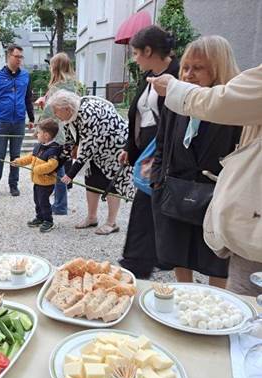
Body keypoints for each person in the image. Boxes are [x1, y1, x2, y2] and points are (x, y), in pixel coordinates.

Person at [149, 51, 262, 297]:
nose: (188, 74)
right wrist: (157, 179)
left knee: (215, 257)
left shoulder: (236, 107)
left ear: (218, 68)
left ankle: (215, 299)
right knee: (178, 249)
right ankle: (184, 293)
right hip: (176, 188)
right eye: (185, 68)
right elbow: (162, 142)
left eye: (198, 68)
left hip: (213, 193)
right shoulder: (177, 102)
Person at [116, 26, 180, 279]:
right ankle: (156, 257)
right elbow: (139, 116)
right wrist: (129, 149)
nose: (134, 58)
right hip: (147, 149)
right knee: (150, 203)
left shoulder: (176, 74)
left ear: (149, 50)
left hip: (163, 151)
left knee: (146, 203)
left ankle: (137, 261)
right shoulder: (150, 76)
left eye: (135, 53)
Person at [48, 90, 135, 234]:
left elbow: (87, 149)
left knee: (112, 183)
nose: (55, 115)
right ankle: (92, 217)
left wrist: (70, 175)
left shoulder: (89, 113)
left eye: (56, 111)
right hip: (97, 149)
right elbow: (69, 145)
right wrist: (55, 165)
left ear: (67, 109)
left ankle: (111, 223)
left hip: (115, 148)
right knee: (92, 180)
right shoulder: (70, 117)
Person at [0, 44, 35, 198]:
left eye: (21, 57)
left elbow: (28, 99)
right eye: (17, 56)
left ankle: (13, 185)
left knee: (15, 155)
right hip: (2, 122)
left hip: (19, 121)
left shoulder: (25, 76)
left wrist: (31, 118)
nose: (19, 60)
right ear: (9, 56)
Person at [35, 52, 79, 216]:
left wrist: (39, 130)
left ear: (56, 67)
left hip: (55, 135)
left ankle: (60, 205)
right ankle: (60, 203)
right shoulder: (73, 85)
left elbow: (49, 112)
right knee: (60, 169)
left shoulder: (56, 87)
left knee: (57, 170)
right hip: (68, 133)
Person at [12, 118, 61, 233]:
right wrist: (19, 162)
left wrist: (36, 169)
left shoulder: (54, 149)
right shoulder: (39, 146)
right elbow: (30, 157)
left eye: (38, 132)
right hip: (37, 181)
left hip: (46, 182)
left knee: (43, 201)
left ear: (46, 135)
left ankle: (49, 221)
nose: (36, 134)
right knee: (37, 200)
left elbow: (52, 165)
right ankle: (40, 218)